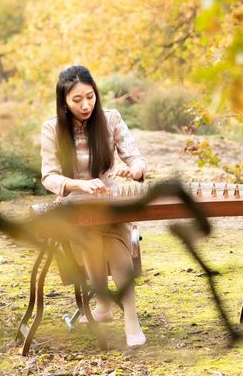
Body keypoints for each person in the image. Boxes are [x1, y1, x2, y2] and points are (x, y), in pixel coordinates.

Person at [40, 65, 147, 347]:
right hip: (75, 203)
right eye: (77, 100)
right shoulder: (52, 128)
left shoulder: (111, 119)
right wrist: (80, 185)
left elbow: (136, 158)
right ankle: (103, 306)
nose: (85, 105)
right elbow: (49, 177)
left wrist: (134, 169)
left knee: (113, 239)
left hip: (109, 202)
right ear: (63, 100)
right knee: (89, 235)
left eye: (90, 97)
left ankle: (130, 319)